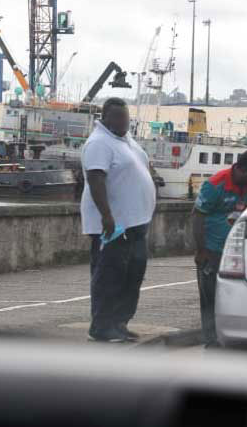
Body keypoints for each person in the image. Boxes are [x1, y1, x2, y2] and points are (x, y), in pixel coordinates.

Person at [80, 97, 157, 342]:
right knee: (109, 277)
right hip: (114, 225)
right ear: (105, 118)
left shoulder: (125, 140)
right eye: (119, 117)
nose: (124, 122)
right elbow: (95, 179)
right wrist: (106, 215)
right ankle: (101, 327)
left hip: (136, 224)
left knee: (132, 277)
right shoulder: (99, 143)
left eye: (126, 117)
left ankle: (119, 323)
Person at [192, 150, 247, 347]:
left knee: (242, 295)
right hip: (213, 250)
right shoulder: (215, 185)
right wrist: (201, 250)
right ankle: (212, 339)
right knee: (210, 296)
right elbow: (197, 216)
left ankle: (241, 336)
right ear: (241, 170)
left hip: (243, 250)